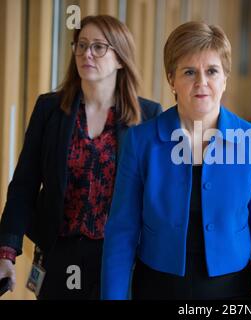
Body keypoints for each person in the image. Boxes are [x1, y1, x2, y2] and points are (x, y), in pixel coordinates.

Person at [101, 21, 251, 300]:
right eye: (189, 72)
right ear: (171, 79)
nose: (202, 82)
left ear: (225, 79)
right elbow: (122, 231)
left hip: (232, 291)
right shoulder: (140, 142)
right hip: (158, 288)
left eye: (212, 71)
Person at [0, 15, 162, 300]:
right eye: (81, 45)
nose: (87, 53)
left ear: (121, 59)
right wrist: (7, 252)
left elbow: (158, 197)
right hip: (58, 251)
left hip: (119, 256)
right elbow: (24, 184)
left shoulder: (148, 117)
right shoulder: (49, 109)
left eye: (99, 47)